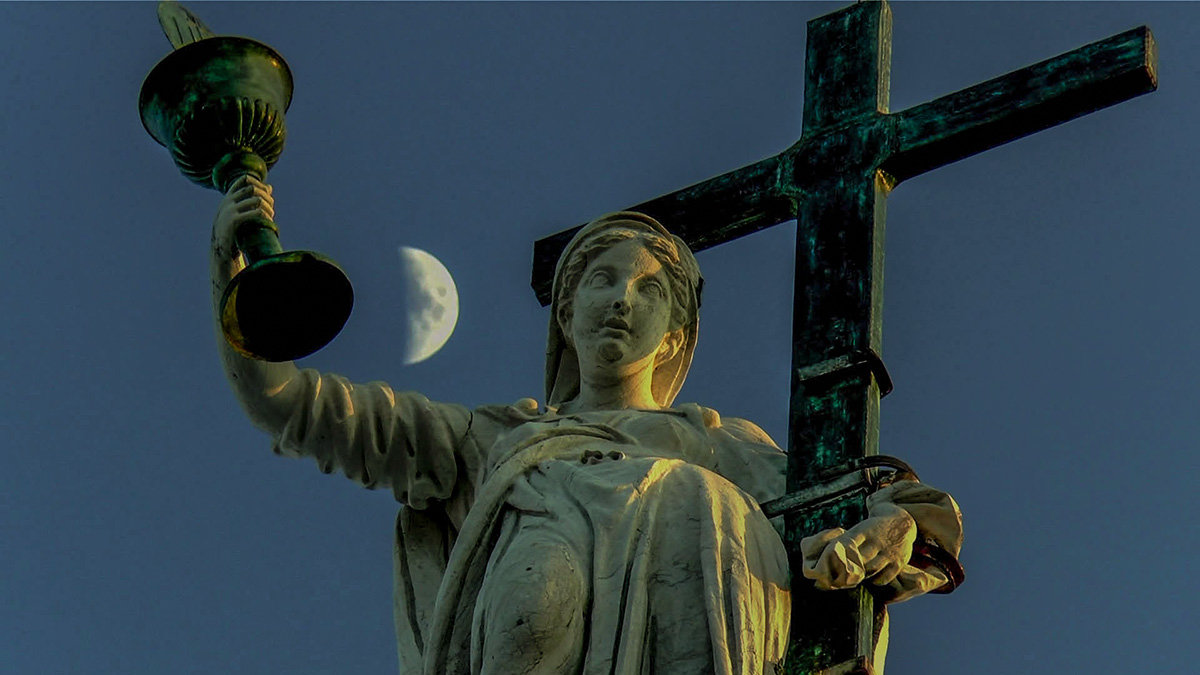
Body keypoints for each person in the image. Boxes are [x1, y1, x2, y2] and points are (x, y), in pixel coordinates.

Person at [211, 176, 964, 675]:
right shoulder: (490, 442)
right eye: (601, 280)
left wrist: (886, 525)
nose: (620, 301)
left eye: (647, 290)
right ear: (565, 315)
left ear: (673, 335)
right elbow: (291, 405)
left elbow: (898, 505)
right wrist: (234, 274)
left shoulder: (716, 443)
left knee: (699, 498)